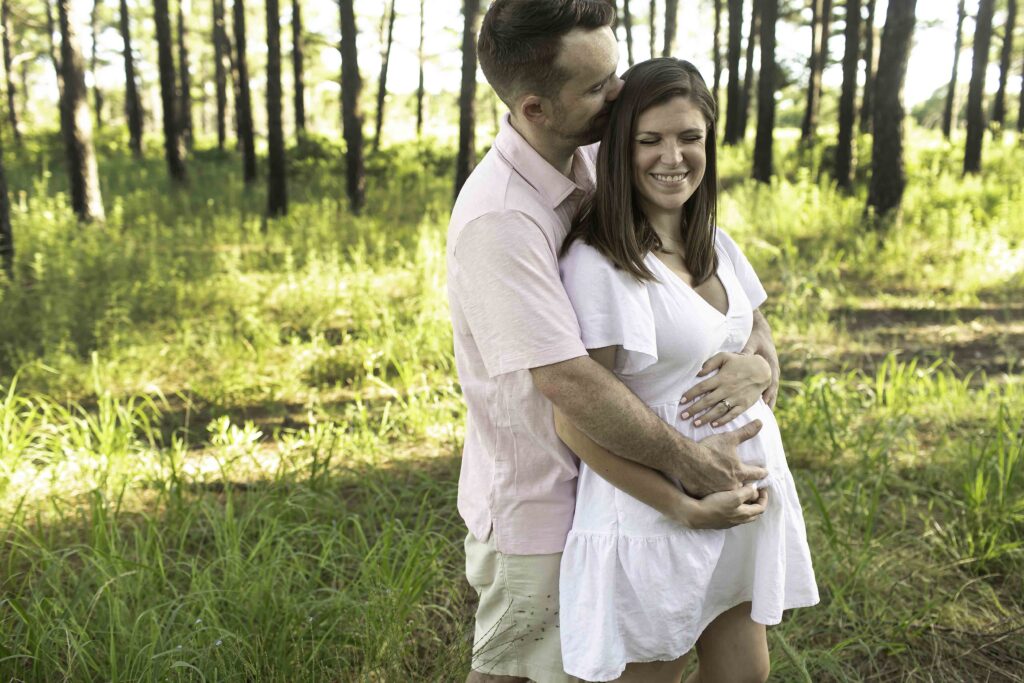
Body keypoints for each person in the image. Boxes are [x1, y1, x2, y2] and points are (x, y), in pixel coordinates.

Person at [448, 2, 783, 681]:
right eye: (599, 86)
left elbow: (709, 278)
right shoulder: (503, 217)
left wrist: (754, 365)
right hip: (543, 503)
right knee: (526, 672)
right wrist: (687, 473)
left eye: (616, 72)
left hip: (623, 491)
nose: (620, 94)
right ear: (537, 107)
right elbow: (570, 384)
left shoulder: (598, 160)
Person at [555, 58, 819, 683]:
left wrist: (758, 367)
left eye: (690, 137)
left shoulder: (714, 241)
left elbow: (758, 334)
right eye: (650, 140)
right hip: (655, 519)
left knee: (744, 676)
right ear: (620, 148)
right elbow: (573, 421)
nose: (672, 157)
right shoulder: (601, 265)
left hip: (737, 506)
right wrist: (679, 505)